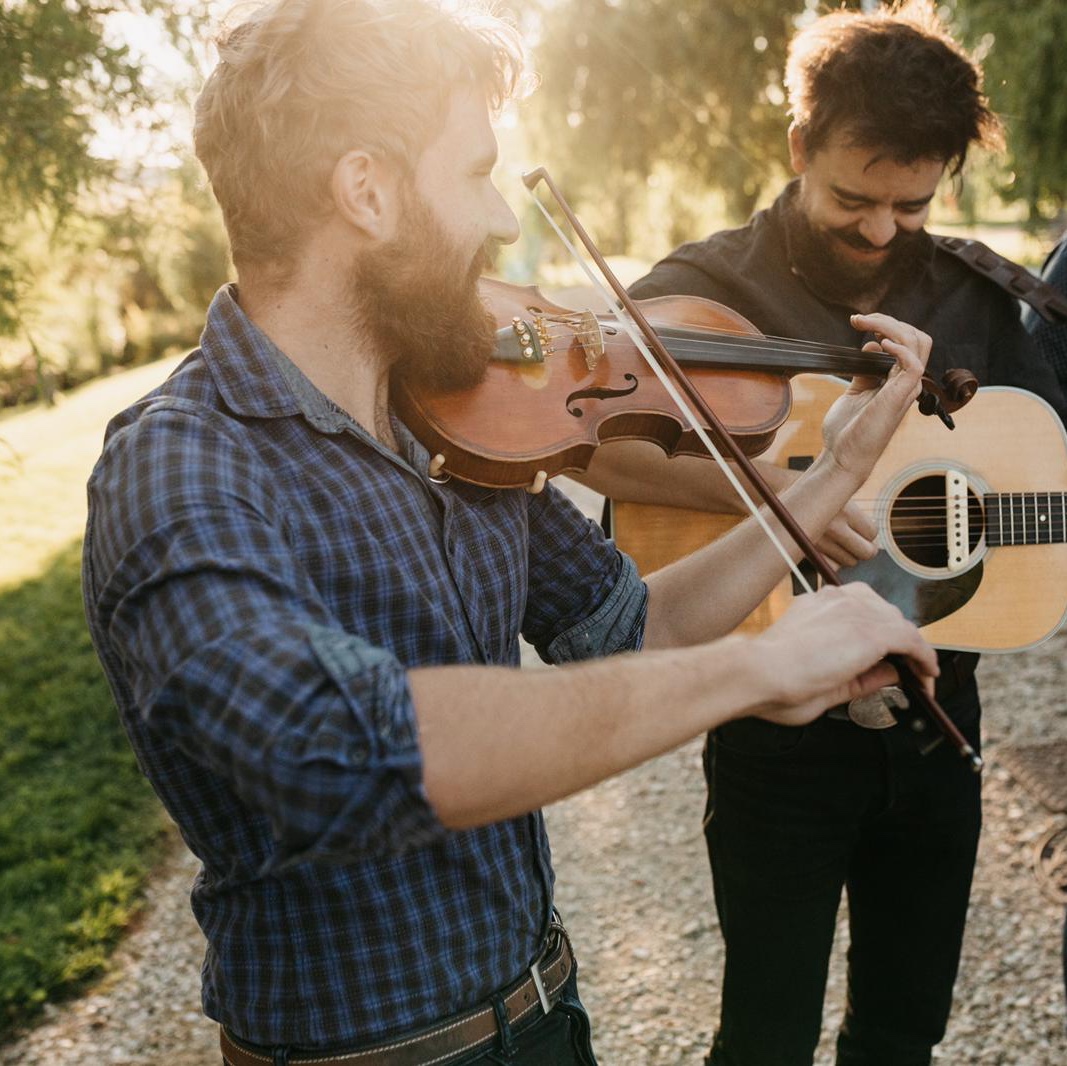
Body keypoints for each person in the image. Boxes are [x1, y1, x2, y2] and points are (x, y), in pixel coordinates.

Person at [79, 2, 943, 1065]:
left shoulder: (448, 425)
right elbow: (332, 749)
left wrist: (829, 479)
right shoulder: (180, 463)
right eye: (476, 172)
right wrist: (758, 668)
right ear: (367, 190)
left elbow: (633, 627)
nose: (497, 218)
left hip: (545, 1016)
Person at [579, 3, 1067, 1065]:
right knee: (764, 1034)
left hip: (939, 720)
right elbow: (590, 446)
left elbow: (1030, 473)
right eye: (853, 197)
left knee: (902, 1029)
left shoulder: (968, 293)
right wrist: (784, 491)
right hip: (774, 731)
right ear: (799, 147)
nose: (882, 230)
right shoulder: (709, 290)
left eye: (911, 202)